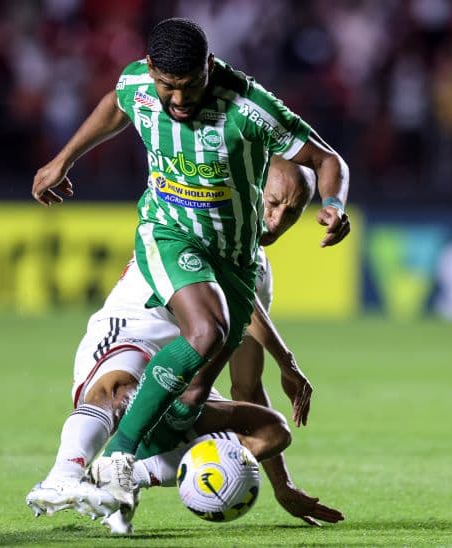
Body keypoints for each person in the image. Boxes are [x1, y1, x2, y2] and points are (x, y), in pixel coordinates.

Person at [30, 17, 350, 513]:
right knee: (203, 332)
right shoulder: (138, 83)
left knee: (209, 395)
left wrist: (333, 203)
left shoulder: (249, 110)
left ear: (209, 67)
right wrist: (64, 160)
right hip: (168, 233)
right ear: (151, 70)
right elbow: (117, 104)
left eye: (190, 86)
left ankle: (128, 477)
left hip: (230, 261)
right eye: (167, 86)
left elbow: (328, 159)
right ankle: (104, 462)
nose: (178, 100)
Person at [27, 157, 343, 530]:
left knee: (271, 431)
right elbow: (234, 291)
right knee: (122, 393)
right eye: (273, 204)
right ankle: (63, 476)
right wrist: (286, 361)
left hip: (181, 374)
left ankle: (128, 477)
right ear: (252, 191)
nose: (276, 221)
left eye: (291, 213)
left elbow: (246, 384)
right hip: (134, 330)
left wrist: (282, 485)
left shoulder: (259, 273)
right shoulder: (205, 218)